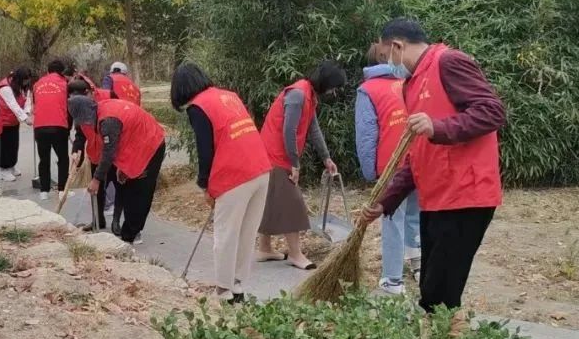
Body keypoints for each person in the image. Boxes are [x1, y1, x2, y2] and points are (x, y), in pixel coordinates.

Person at [361, 18, 505, 313]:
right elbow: (417, 154)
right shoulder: (411, 85)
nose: (388, 63)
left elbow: (492, 111)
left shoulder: (449, 62)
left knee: (438, 297)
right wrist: (386, 201)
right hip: (436, 198)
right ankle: (444, 336)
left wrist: (437, 127)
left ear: (397, 46)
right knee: (432, 291)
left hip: (465, 195)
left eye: (386, 56)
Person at [171, 63, 272, 303]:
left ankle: (223, 292)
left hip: (235, 174)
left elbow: (205, 150)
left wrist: (205, 186)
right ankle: (238, 288)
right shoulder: (229, 95)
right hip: (260, 169)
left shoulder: (198, 107)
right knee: (246, 233)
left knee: (226, 235)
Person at [256, 61, 346, 270]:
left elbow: (313, 129)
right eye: (333, 88)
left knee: (270, 201)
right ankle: (296, 254)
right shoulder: (298, 95)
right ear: (325, 83)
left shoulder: (309, 95)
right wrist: (294, 163)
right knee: (293, 203)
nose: (333, 92)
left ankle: (264, 248)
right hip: (274, 155)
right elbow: (289, 130)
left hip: (274, 154)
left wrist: (326, 158)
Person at [356, 43, 421, 296]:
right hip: (418, 157)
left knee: (393, 217)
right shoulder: (409, 81)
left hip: (392, 164)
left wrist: (370, 172)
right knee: (416, 215)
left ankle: (393, 279)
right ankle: (419, 266)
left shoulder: (368, 89)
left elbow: (366, 135)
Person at [69, 94, 165, 245]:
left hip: (150, 144)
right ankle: (129, 231)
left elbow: (109, 153)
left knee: (140, 189)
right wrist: (123, 166)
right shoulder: (97, 111)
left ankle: (131, 235)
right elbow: (114, 144)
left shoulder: (108, 121)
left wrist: (96, 180)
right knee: (128, 185)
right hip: (133, 142)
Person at [67, 78, 113, 231]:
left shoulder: (107, 97)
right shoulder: (80, 107)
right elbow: (80, 134)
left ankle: (118, 220)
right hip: (95, 149)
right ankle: (98, 220)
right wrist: (76, 155)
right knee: (96, 185)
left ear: (88, 93)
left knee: (116, 184)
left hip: (112, 146)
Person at [32, 59, 71, 201]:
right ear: (62, 72)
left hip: (40, 126)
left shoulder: (37, 84)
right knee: (63, 158)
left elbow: (35, 104)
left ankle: (44, 191)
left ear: (48, 71)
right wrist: (69, 127)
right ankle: (62, 190)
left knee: (44, 159)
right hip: (58, 125)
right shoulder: (65, 84)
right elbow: (68, 106)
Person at [0, 67, 32, 182]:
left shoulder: (22, 86)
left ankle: (11, 165)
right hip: (3, 120)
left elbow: (27, 99)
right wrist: (25, 118)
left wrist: (27, 112)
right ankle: (3, 169)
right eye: (25, 80)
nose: (27, 82)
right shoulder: (5, 87)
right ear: (19, 79)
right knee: (5, 145)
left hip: (14, 120)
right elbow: (13, 105)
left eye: (28, 80)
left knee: (14, 144)